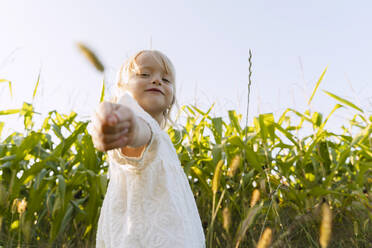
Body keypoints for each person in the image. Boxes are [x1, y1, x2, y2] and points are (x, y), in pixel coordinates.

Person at [92, 50, 206, 247]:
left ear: (172, 98)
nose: (156, 81)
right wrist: (124, 126)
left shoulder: (162, 139)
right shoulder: (141, 123)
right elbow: (138, 133)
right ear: (123, 90)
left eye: (166, 79)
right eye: (144, 74)